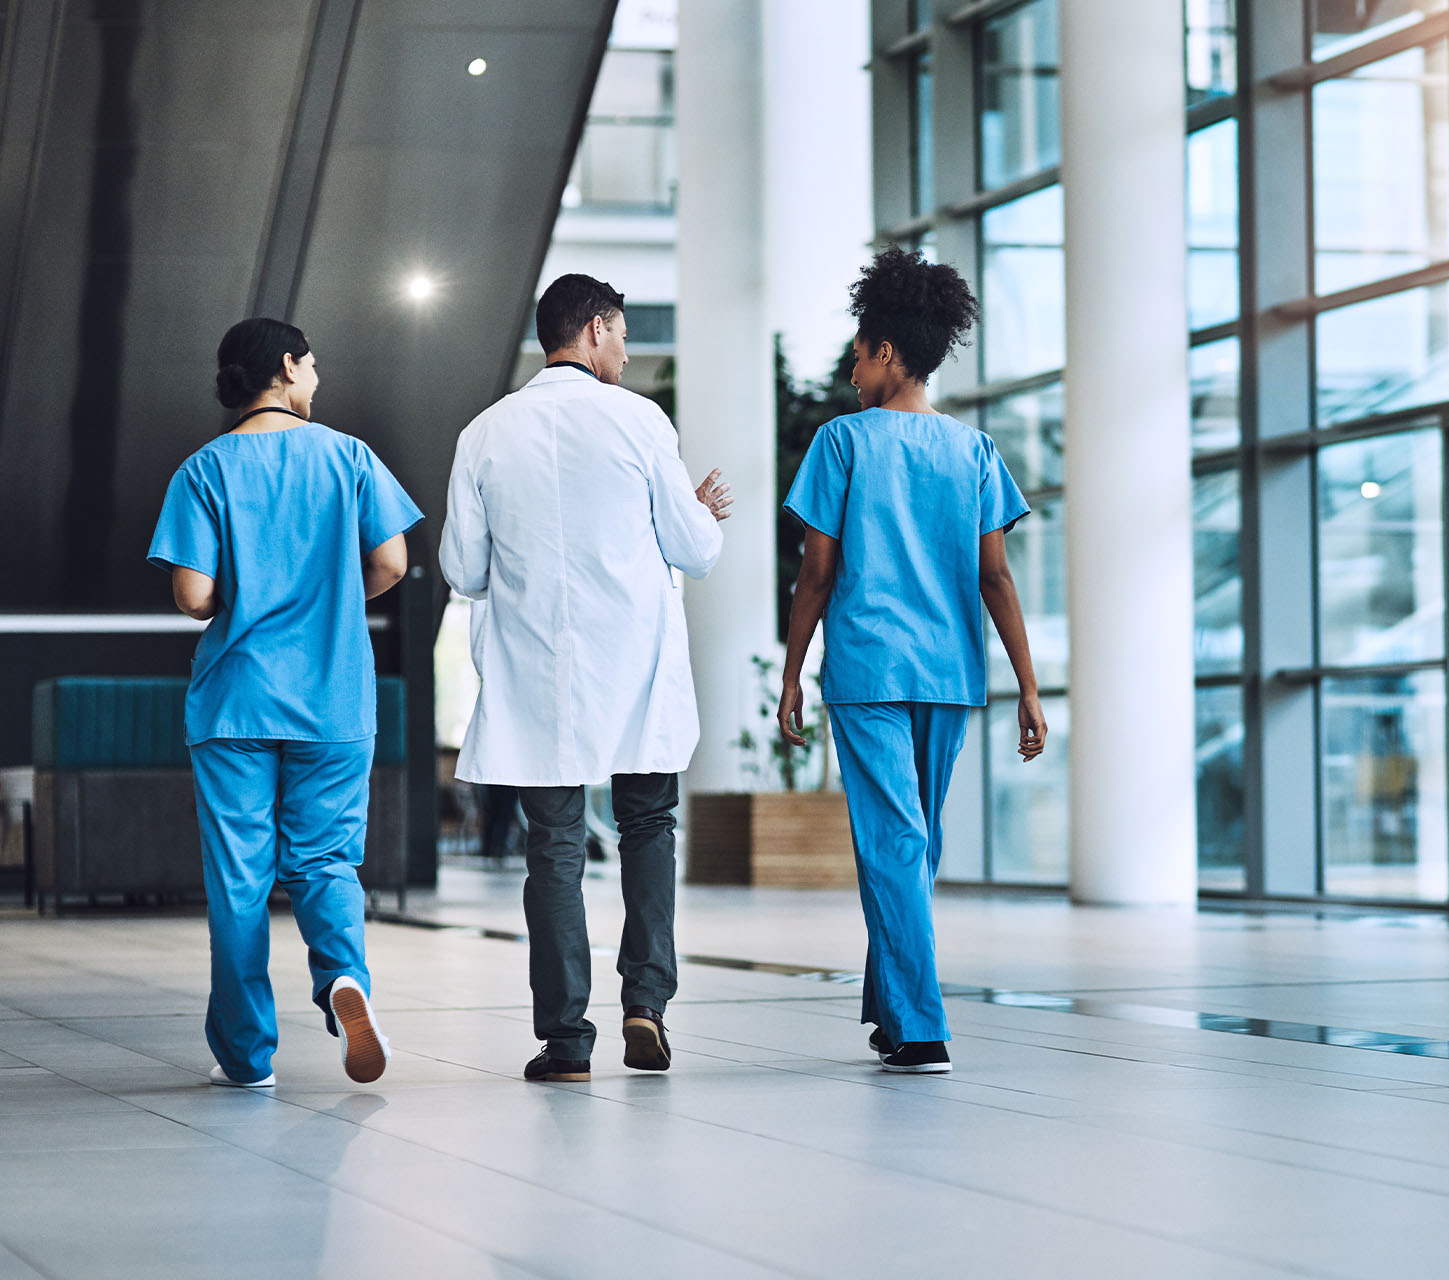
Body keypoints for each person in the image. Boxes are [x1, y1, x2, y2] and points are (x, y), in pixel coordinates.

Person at [440, 273, 731, 1083]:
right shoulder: (641, 421)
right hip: (636, 670)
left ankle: (566, 1042)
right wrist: (699, 511)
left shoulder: (485, 433)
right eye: (625, 335)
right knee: (647, 829)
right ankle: (646, 1003)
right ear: (596, 329)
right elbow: (695, 549)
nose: (628, 352)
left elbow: (462, 568)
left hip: (541, 675)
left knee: (555, 850)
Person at [778, 247, 1046, 1075]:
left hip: (867, 672)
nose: (854, 372)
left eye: (859, 355)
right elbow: (994, 577)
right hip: (950, 674)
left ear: (887, 351)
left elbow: (817, 572)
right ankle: (893, 1011)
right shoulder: (973, 454)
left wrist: (790, 672)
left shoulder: (841, 442)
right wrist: (1027, 691)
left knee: (896, 845)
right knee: (913, 847)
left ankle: (923, 1029)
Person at [148, 317, 422, 1088]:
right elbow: (393, 563)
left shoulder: (204, 470)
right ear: (288, 367)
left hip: (234, 702)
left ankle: (246, 1056)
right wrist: (332, 595)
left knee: (239, 878)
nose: (318, 379)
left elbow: (192, 593)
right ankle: (345, 982)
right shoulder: (350, 457)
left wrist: (245, 600)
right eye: (313, 365)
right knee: (326, 859)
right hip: (333, 697)